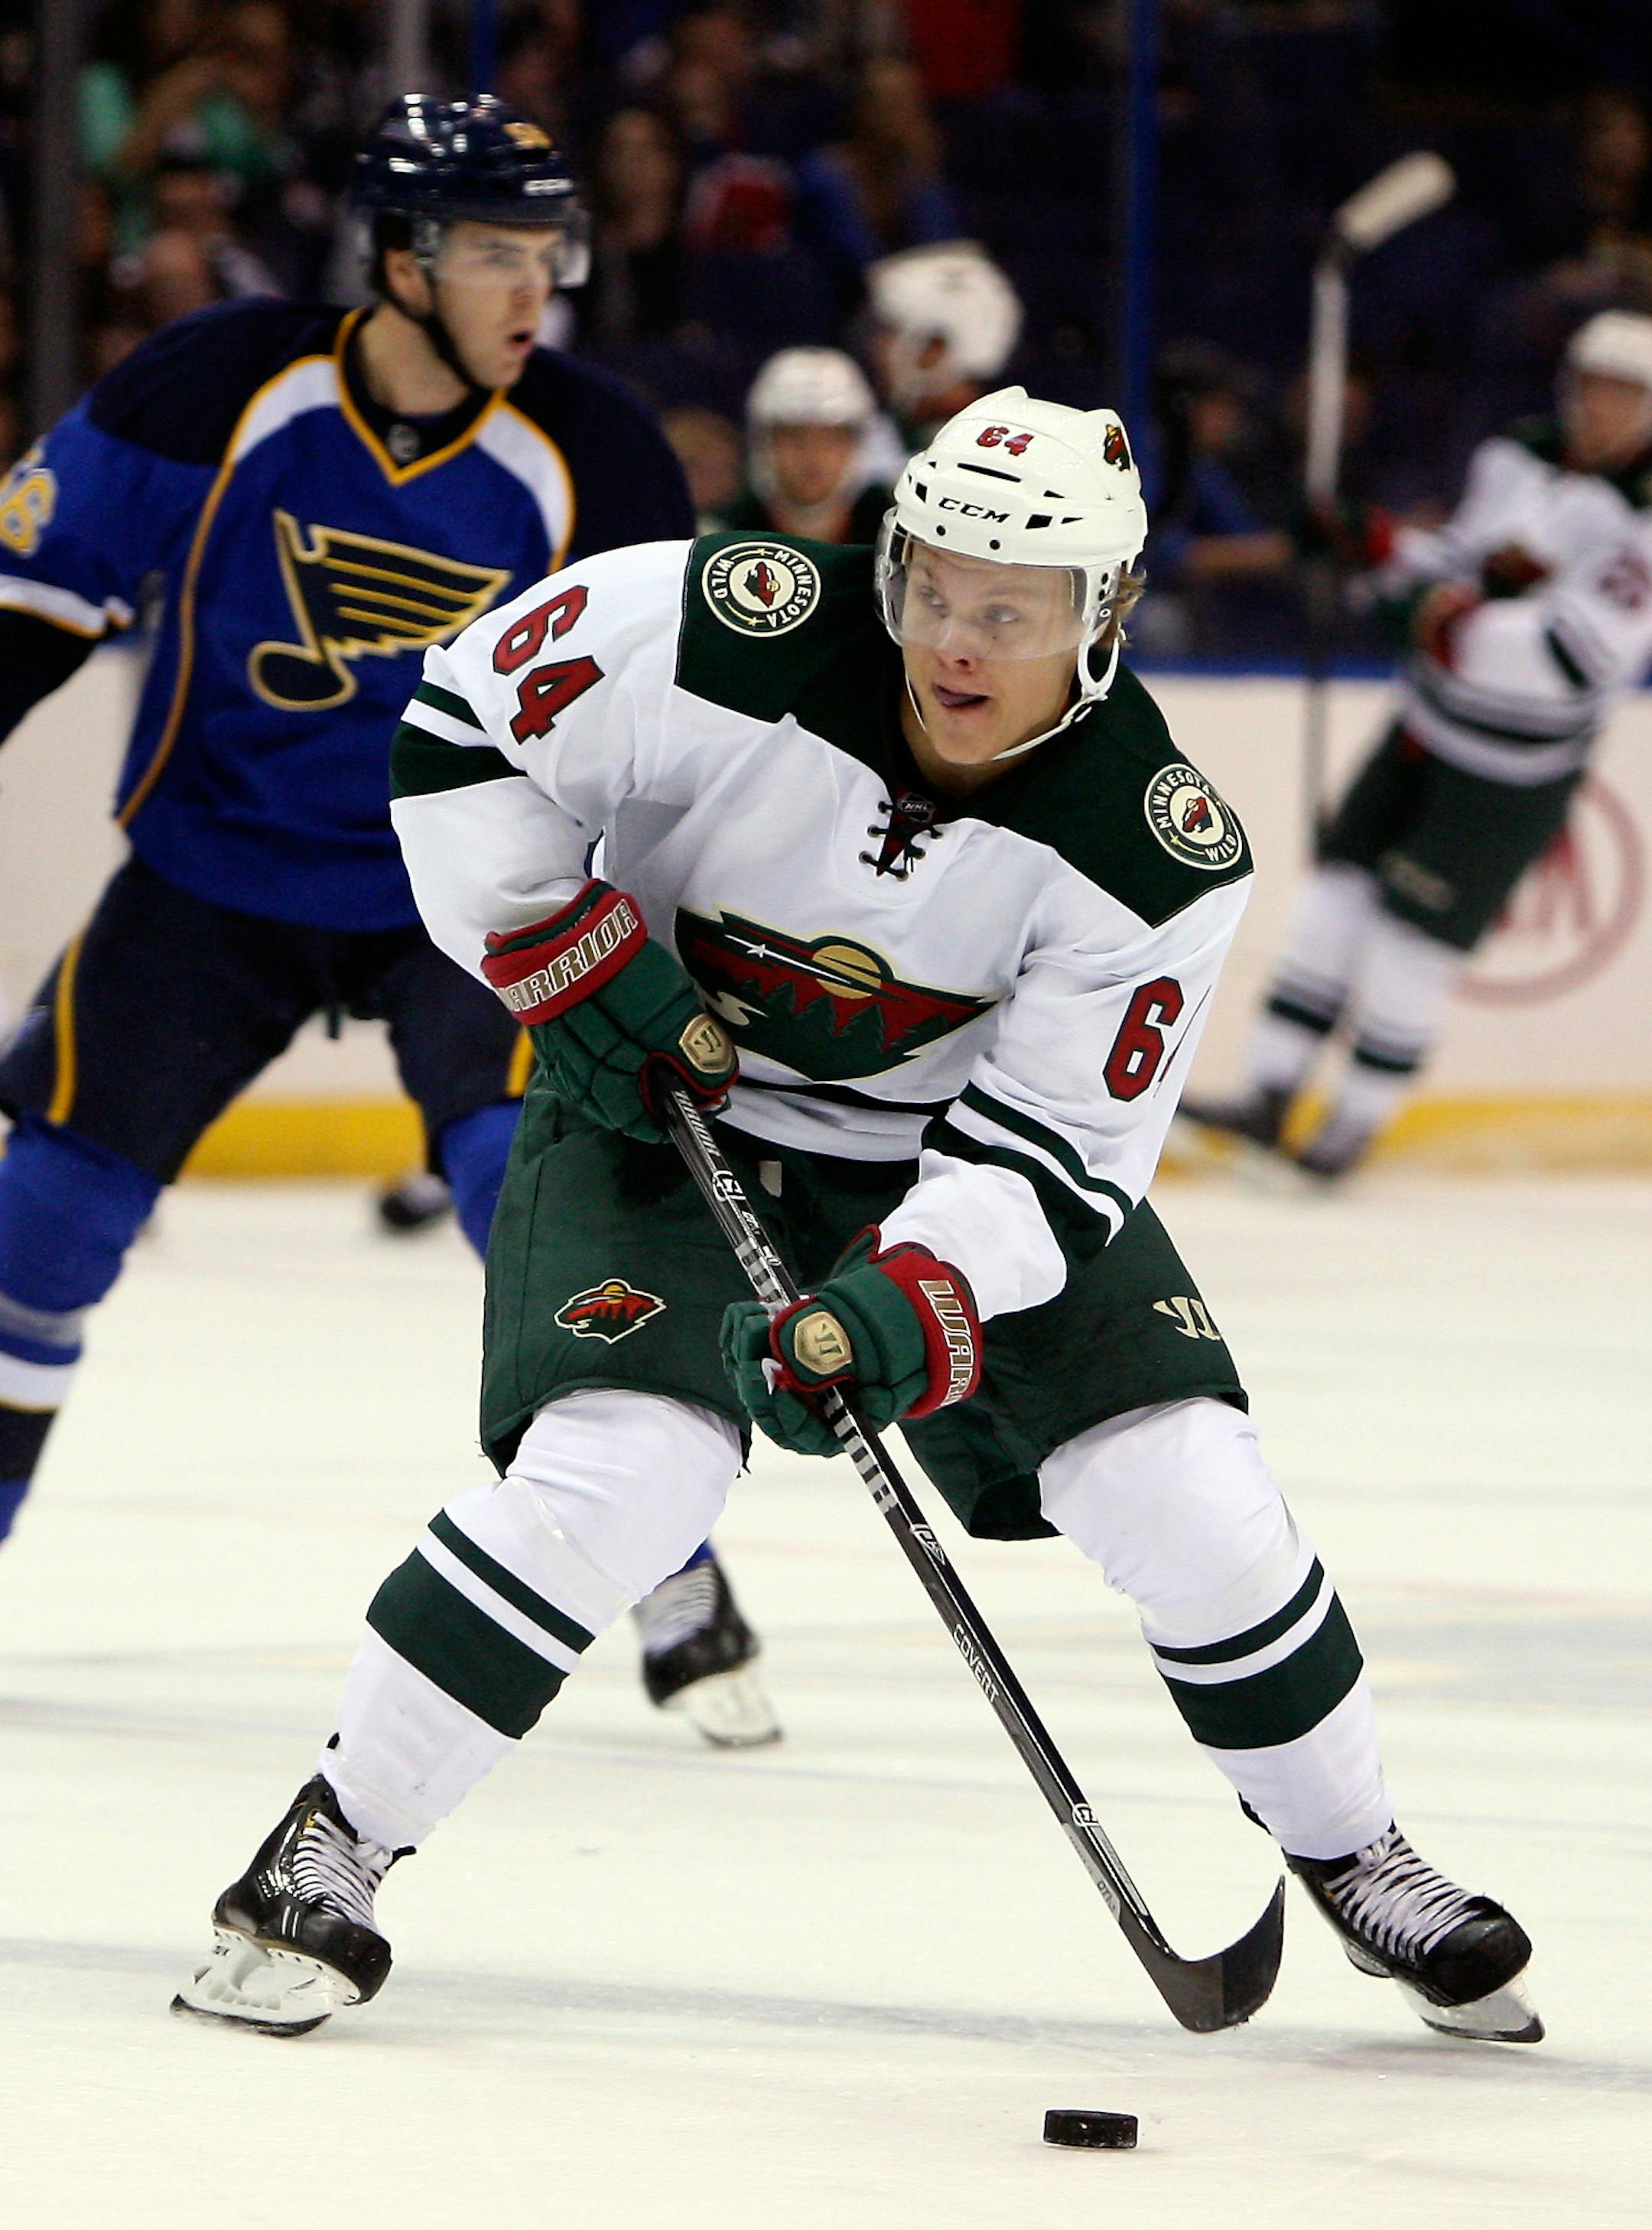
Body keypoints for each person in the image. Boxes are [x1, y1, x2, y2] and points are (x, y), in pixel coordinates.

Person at [174, 388, 1539, 2047]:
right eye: (936, 585)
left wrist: (906, 1295)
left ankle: (1355, 1850)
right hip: (663, 1116)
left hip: (945, 1166)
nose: (959, 639)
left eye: (1013, 609)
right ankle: (331, 1843)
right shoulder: (720, 622)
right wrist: (554, 941)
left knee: (1186, 1481)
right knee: (625, 1464)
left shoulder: (1157, 849)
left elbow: (1054, 1148)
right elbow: (465, 725)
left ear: (1102, 616)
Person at [0, 93, 776, 1748]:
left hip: (476, 892)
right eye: (497, 253)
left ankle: (673, 1561)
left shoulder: (601, 452)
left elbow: (677, 737)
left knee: (528, 1199)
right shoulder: (211, 388)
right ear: (402, 259)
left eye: (548, 257)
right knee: (41, 1222)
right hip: (215, 873)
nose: (532, 293)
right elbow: (28, 611)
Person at [1182, 308, 1652, 1179]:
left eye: (1626, 394)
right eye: (1594, 385)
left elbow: (1575, 656)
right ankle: (1270, 1091)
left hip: (1508, 771)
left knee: (1412, 943)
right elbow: (1465, 564)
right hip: (1427, 725)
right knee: (1335, 898)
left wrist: (1445, 625)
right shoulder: (1520, 453)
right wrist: (1378, 545)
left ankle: (1348, 1130)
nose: (1601, 406)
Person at [716, 346, 889, 544]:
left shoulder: (899, 537)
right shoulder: (720, 536)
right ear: (763, 442)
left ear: (858, 444)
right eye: (793, 436)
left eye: (831, 438)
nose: (812, 454)